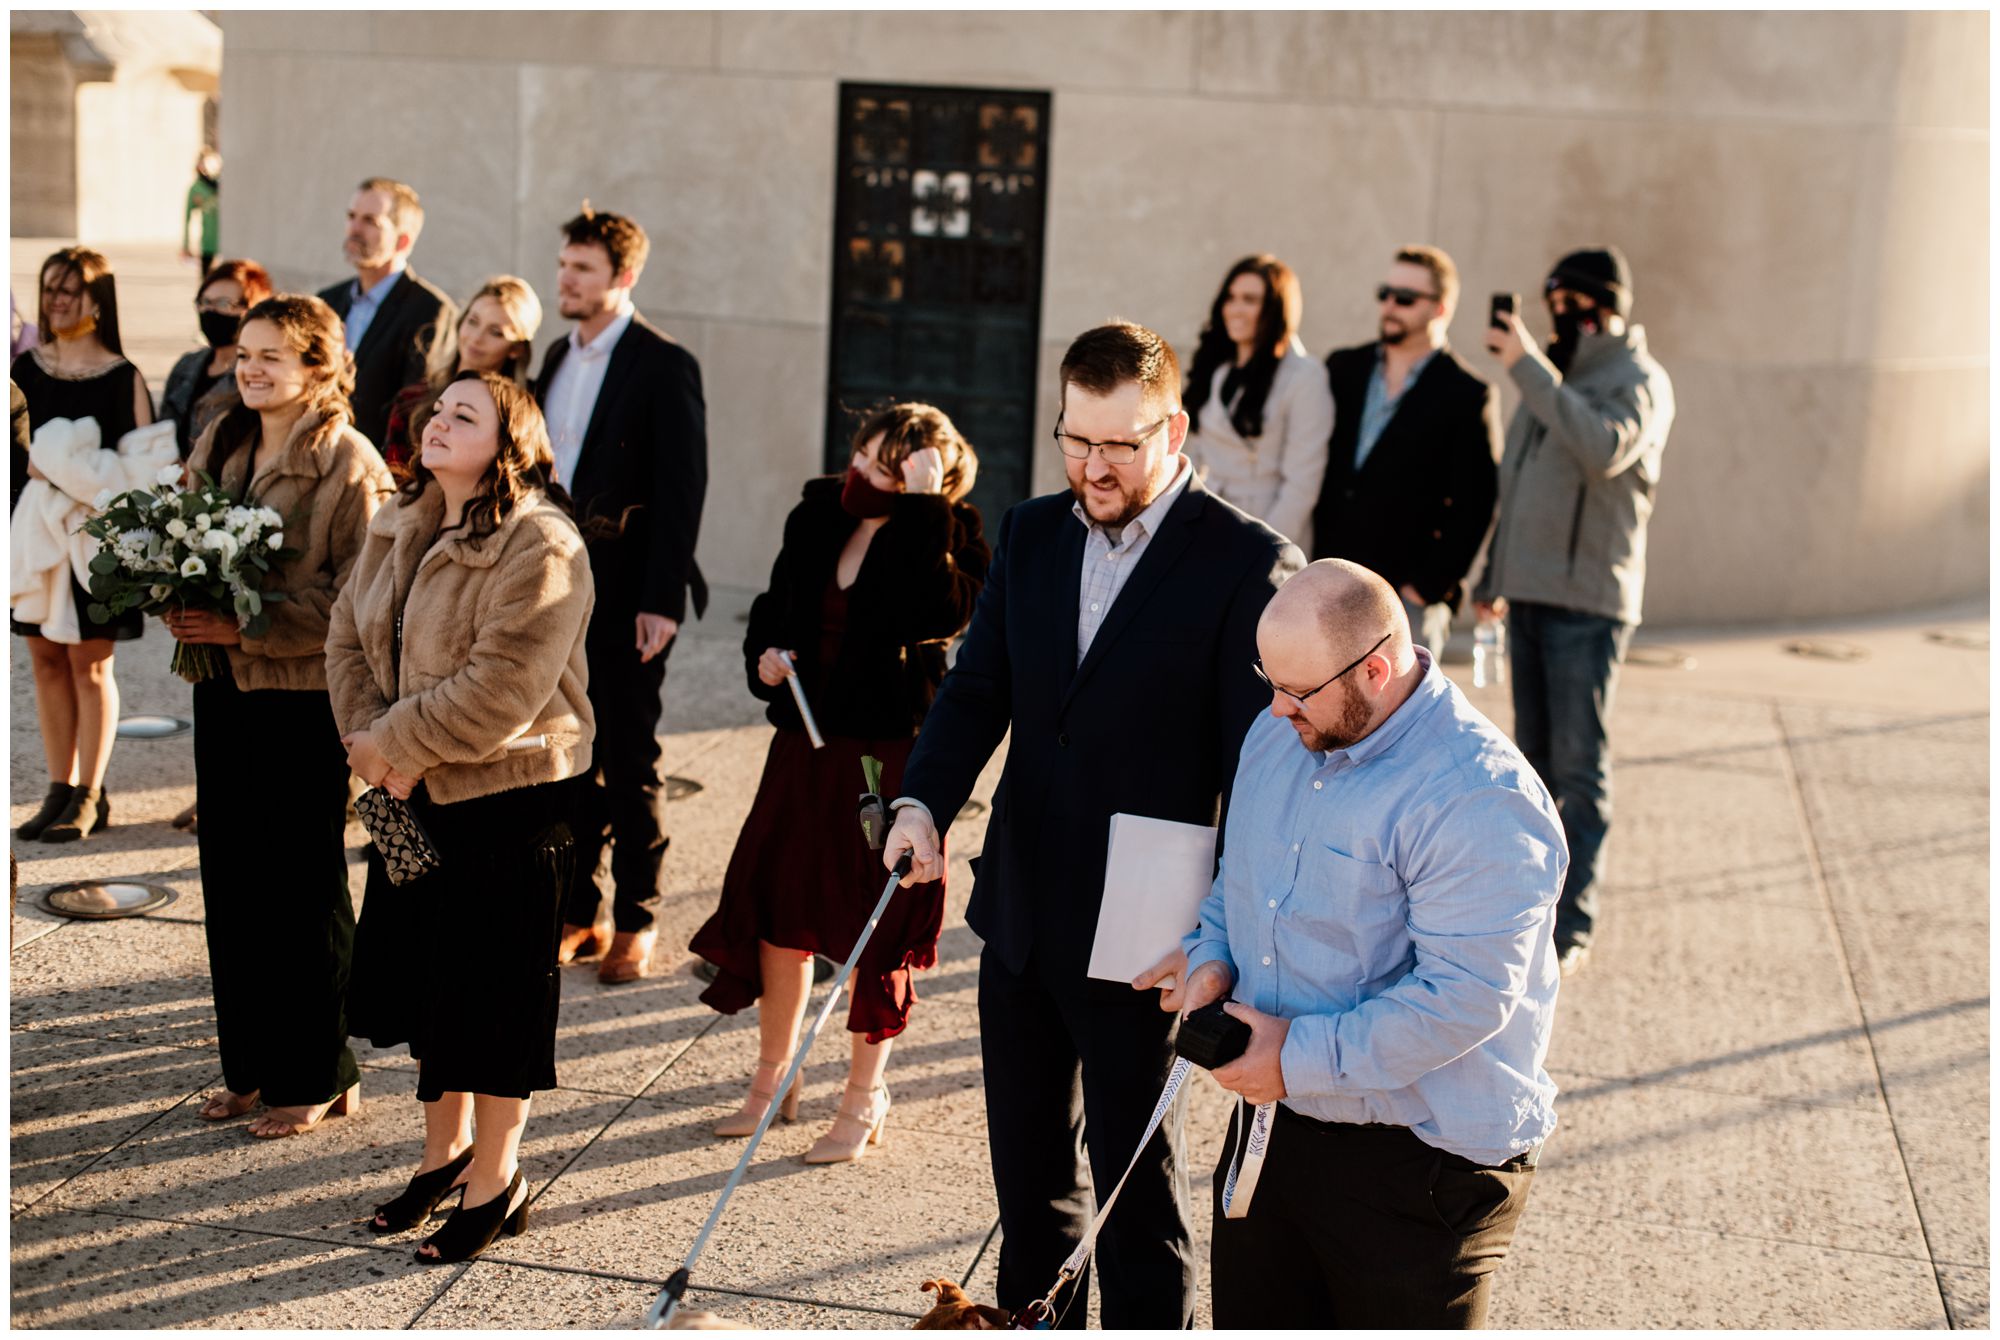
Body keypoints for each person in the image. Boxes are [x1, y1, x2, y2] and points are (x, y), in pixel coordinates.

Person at [882, 322, 1303, 1327]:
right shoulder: (1030, 531)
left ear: (1174, 427)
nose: (1093, 465)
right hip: (1022, 910)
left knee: (1134, 1196)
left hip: (1149, 936)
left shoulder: (1246, 564)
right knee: (1029, 1191)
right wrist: (920, 799)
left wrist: (1222, 934)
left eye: (1119, 444)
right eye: (1075, 440)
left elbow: (1263, 774)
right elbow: (978, 687)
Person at [1136, 558, 1565, 1329]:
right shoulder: (1281, 735)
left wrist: (1291, 1058)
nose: (1274, 709)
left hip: (1422, 1164)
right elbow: (1242, 881)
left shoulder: (1478, 795)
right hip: (1278, 1129)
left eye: (1297, 691)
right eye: (1267, 679)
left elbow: (1465, 999)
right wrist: (1210, 955)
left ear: (1377, 669)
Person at [329, 371, 595, 1264]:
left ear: (510, 442)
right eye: (437, 410)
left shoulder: (542, 541)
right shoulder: (398, 519)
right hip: (406, 795)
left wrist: (395, 746)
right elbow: (344, 639)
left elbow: (506, 687)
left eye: (464, 414)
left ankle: (498, 1180)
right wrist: (371, 742)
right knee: (429, 990)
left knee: (495, 1002)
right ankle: (443, 1159)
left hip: (508, 803)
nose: (439, 421)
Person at [690, 402, 989, 1162]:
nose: (867, 471)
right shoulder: (820, 512)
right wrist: (766, 659)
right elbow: (771, 611)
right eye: (867, 453)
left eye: (891, 466)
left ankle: (864, 1095)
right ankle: (773, 1080)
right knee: (780, 910)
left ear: (929, 476)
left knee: (876, 925)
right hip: (806, 745)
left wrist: (924, 509)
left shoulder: (957, 538)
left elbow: (933, 615)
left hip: (890, 754)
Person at [172, 294, 395, 1138]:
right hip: (221, 687)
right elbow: (180, 531)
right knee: (231, 881)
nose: (252, 368)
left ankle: (319, 1073)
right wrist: (176, 593)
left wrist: (251, 624)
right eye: (245, 352)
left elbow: (361, 599)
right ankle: (252, 1068)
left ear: (319, 365)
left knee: (301, 885)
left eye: (273, 355)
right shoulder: (221, 437)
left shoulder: (350, 462)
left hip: (302, 698)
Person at [1475, 246, 1675, 977]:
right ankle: (1530, 907)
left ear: (1594, 307)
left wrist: (1530, 366)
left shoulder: (1639, 381)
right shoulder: (1550, 382)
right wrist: (1494, 574)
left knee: (1577, 765)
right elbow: (1520, 487)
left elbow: (1604, 449)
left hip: (1587, 604)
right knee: (1531, 763)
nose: (1553, 317)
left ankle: (1574, 923)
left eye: (1565, 304)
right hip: (1527, 595)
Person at [534, 203, 709, 985]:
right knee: (565, 754)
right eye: (565, 266)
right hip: (552, 590)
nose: (565, 280)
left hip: (629, 590)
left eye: (582, 270)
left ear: (623, 277)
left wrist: (661, 600)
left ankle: (637, 915)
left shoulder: (663, 363)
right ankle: (579, 911)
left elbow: (683, 490)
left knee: (629, 758)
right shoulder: (554, 356)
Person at [9, 247, 155, 843]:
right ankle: (58, 787)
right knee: (45, 661)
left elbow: (145, 464)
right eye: (49, 289)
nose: (56, 300)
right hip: (36, 536)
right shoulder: (24, 370)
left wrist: (76, 474)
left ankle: (92, 794)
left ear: (98, 299)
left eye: (69, 289)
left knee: (89, 664)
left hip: (96, 543)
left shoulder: (124, 376)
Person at [1312, 246, 1500, 656]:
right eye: (1386, 293)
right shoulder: (1344, 368)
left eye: (1406, 298)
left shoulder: (1468, 393)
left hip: (1405, 596)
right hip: (1328, 579)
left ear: (1440, 309)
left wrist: (1427, 586)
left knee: (1401, 717)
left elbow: (1477, 502)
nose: (1391, 306)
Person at [1181, 254, 1333, 552]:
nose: (1236, 309)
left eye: (1250, 300)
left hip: (1268, 526)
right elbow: (1194, 456)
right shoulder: (1217, 367)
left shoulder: (1305, 377)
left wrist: (1265, 551)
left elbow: (1301, 487)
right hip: (1208, 520)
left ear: (1276, 309)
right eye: (1231, 298)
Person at [315, 177, 455, 451]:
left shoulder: (432, 311)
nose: (354, 229)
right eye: (352, 216)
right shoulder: (327, 301)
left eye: (370, 221)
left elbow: (416, 409)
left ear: (403, 241)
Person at [380, 276, 542, 476]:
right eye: (473, 322)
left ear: (516, 348)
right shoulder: (412, 400)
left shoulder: (522, 416)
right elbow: (392, 479)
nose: (476, 338)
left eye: (495, 332)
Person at [161, 259, 273, 460]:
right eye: (205, 302)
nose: (210, 312)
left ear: (251, 310)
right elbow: (163, 427)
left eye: (224, 304)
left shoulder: (257, 376)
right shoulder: (187, 365)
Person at [182, 149, 221, 280]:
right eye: (202, 163)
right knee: (206, 281)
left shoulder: (222, 184)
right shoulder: (195, 189)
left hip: (226, 243)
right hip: (208, 243)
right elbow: (187, 218)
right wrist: (186, 245)